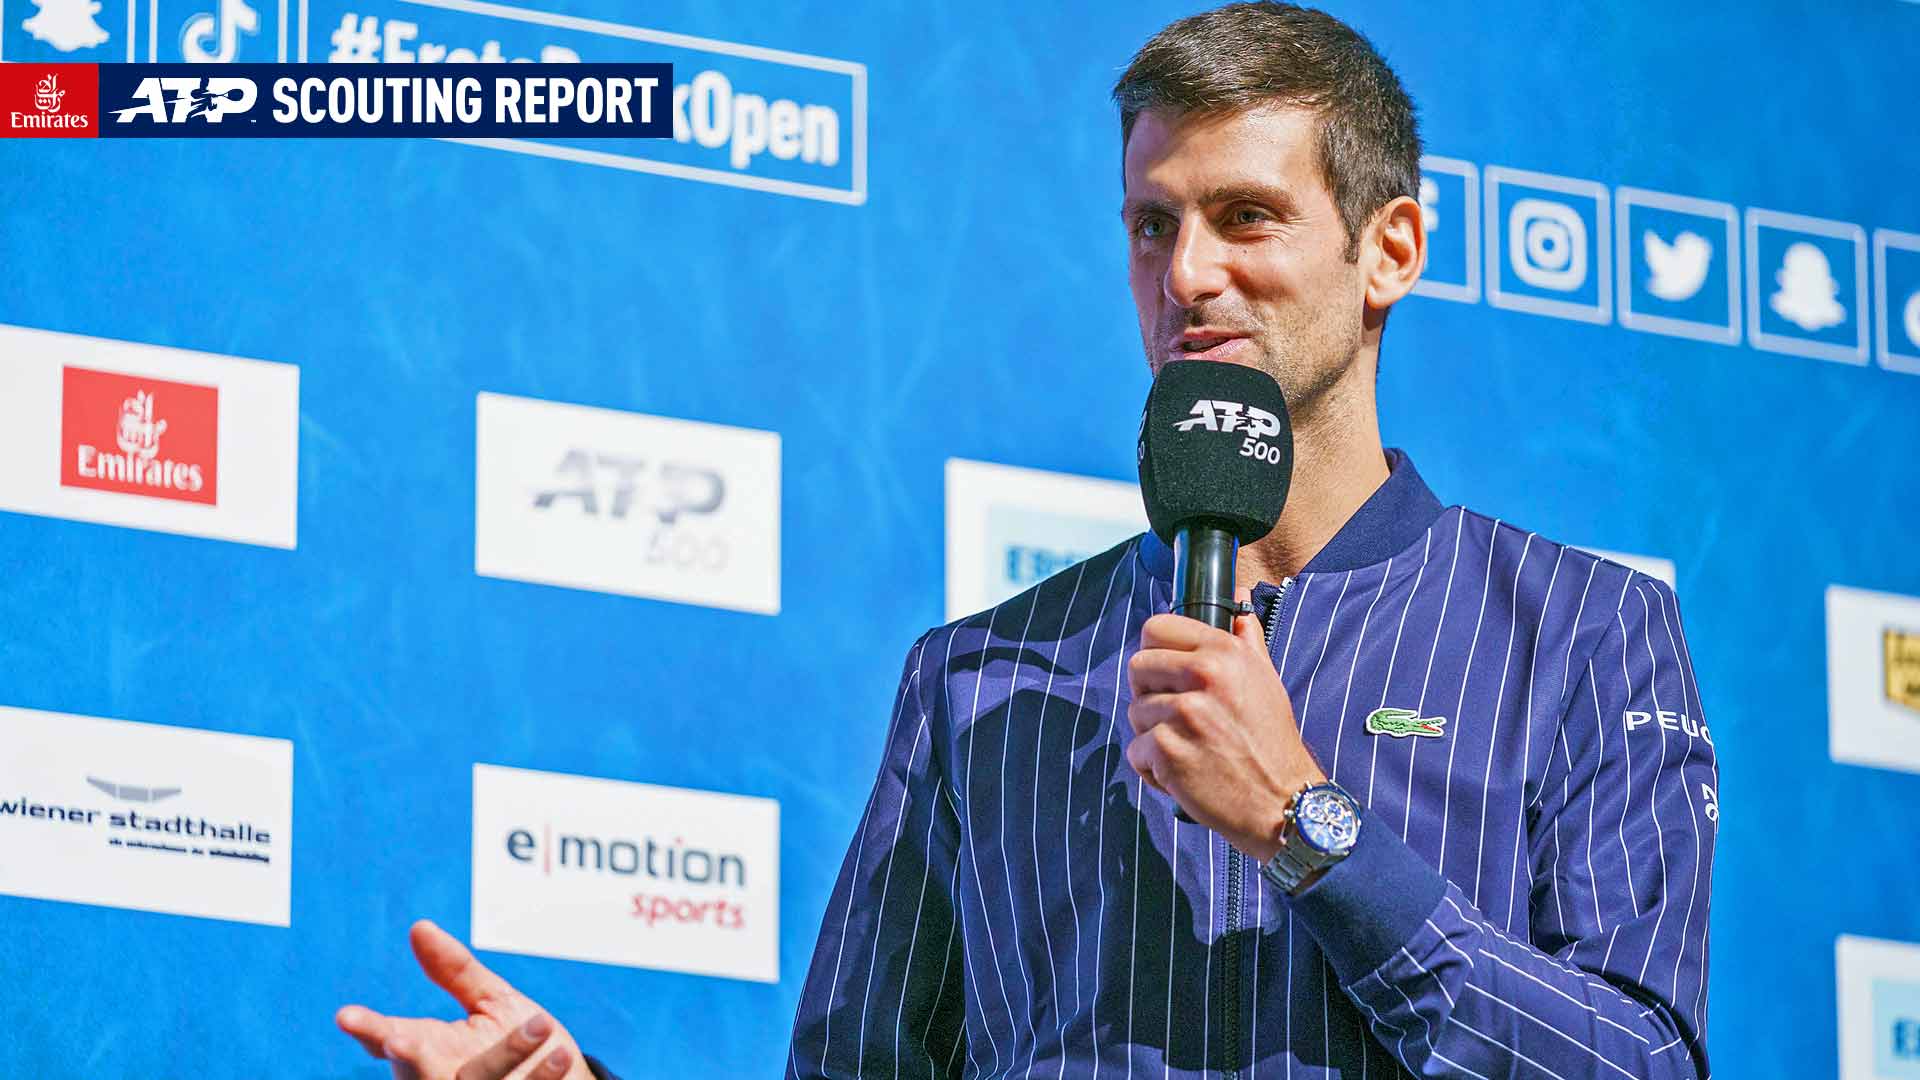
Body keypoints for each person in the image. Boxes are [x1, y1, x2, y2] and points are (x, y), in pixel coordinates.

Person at [336, 4, 1717, 1077]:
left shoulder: (1581, 628)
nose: (1188, 275)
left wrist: (1306, 827)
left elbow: (1639, 1064)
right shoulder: (977, 678)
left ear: (1391, 251)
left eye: (1246, 217)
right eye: (1153, 226)